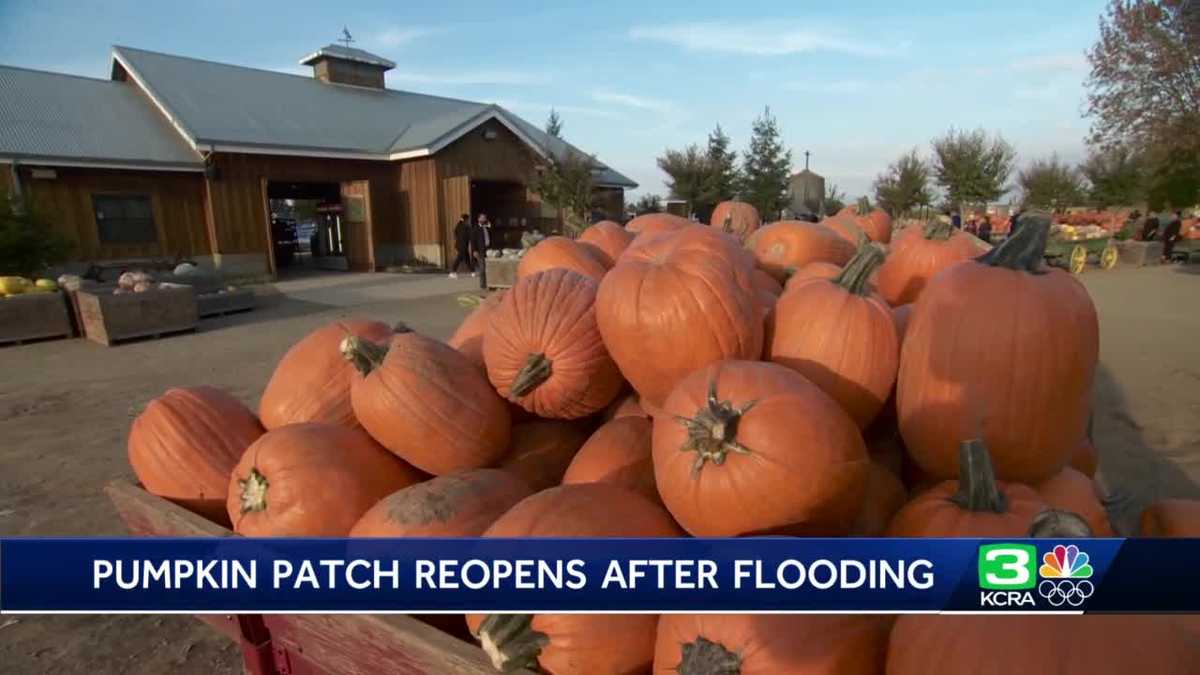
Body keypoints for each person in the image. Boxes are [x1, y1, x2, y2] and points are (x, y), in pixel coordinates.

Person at [448, 214, 474, 278]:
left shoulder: (458, 225)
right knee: (459, 258)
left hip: (459, 244)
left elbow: (456, 233)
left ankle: (472, 271)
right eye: (468, 219)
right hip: (463, 245)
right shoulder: (465, 226)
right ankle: (452, 271)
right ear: (466, 219)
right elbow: (469, 235)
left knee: (467, 259)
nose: (468, 221)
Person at [471, 213, 493, 290]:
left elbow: (492, 234)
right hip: (480, 251)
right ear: (479, 219)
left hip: (489, 250)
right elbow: (473, 241)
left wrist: (489, 226)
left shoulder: (487, 227)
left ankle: (490, 284)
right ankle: (483, 285)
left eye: (485, 218)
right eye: (482, 218)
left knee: (490, 268)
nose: (484, 219)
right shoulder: (475, 228)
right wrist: (474, 251)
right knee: (482, 268)